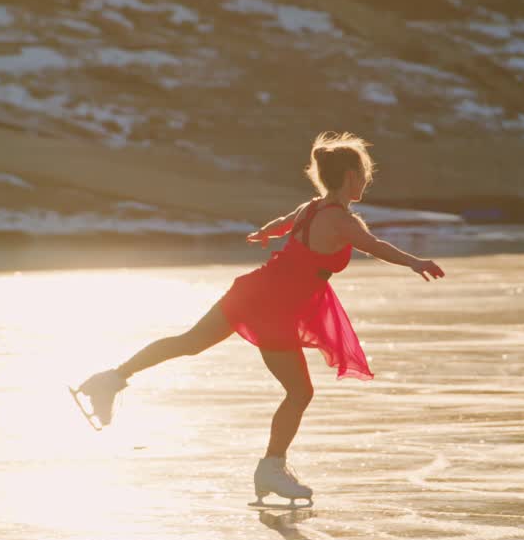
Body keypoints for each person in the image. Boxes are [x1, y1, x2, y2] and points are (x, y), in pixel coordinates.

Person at [71, 131, 445, 505]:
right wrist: (415, 262)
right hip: (275, 306)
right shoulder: (341, 222)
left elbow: (286, 221)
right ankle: (271, 467)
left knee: (189, 343)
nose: (365, 180)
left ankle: (111, 378)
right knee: (300, 392)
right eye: (363, 173)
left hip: (255, 290)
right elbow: (375, 246)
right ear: (349, 175)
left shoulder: (312, 208)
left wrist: (269, 231)